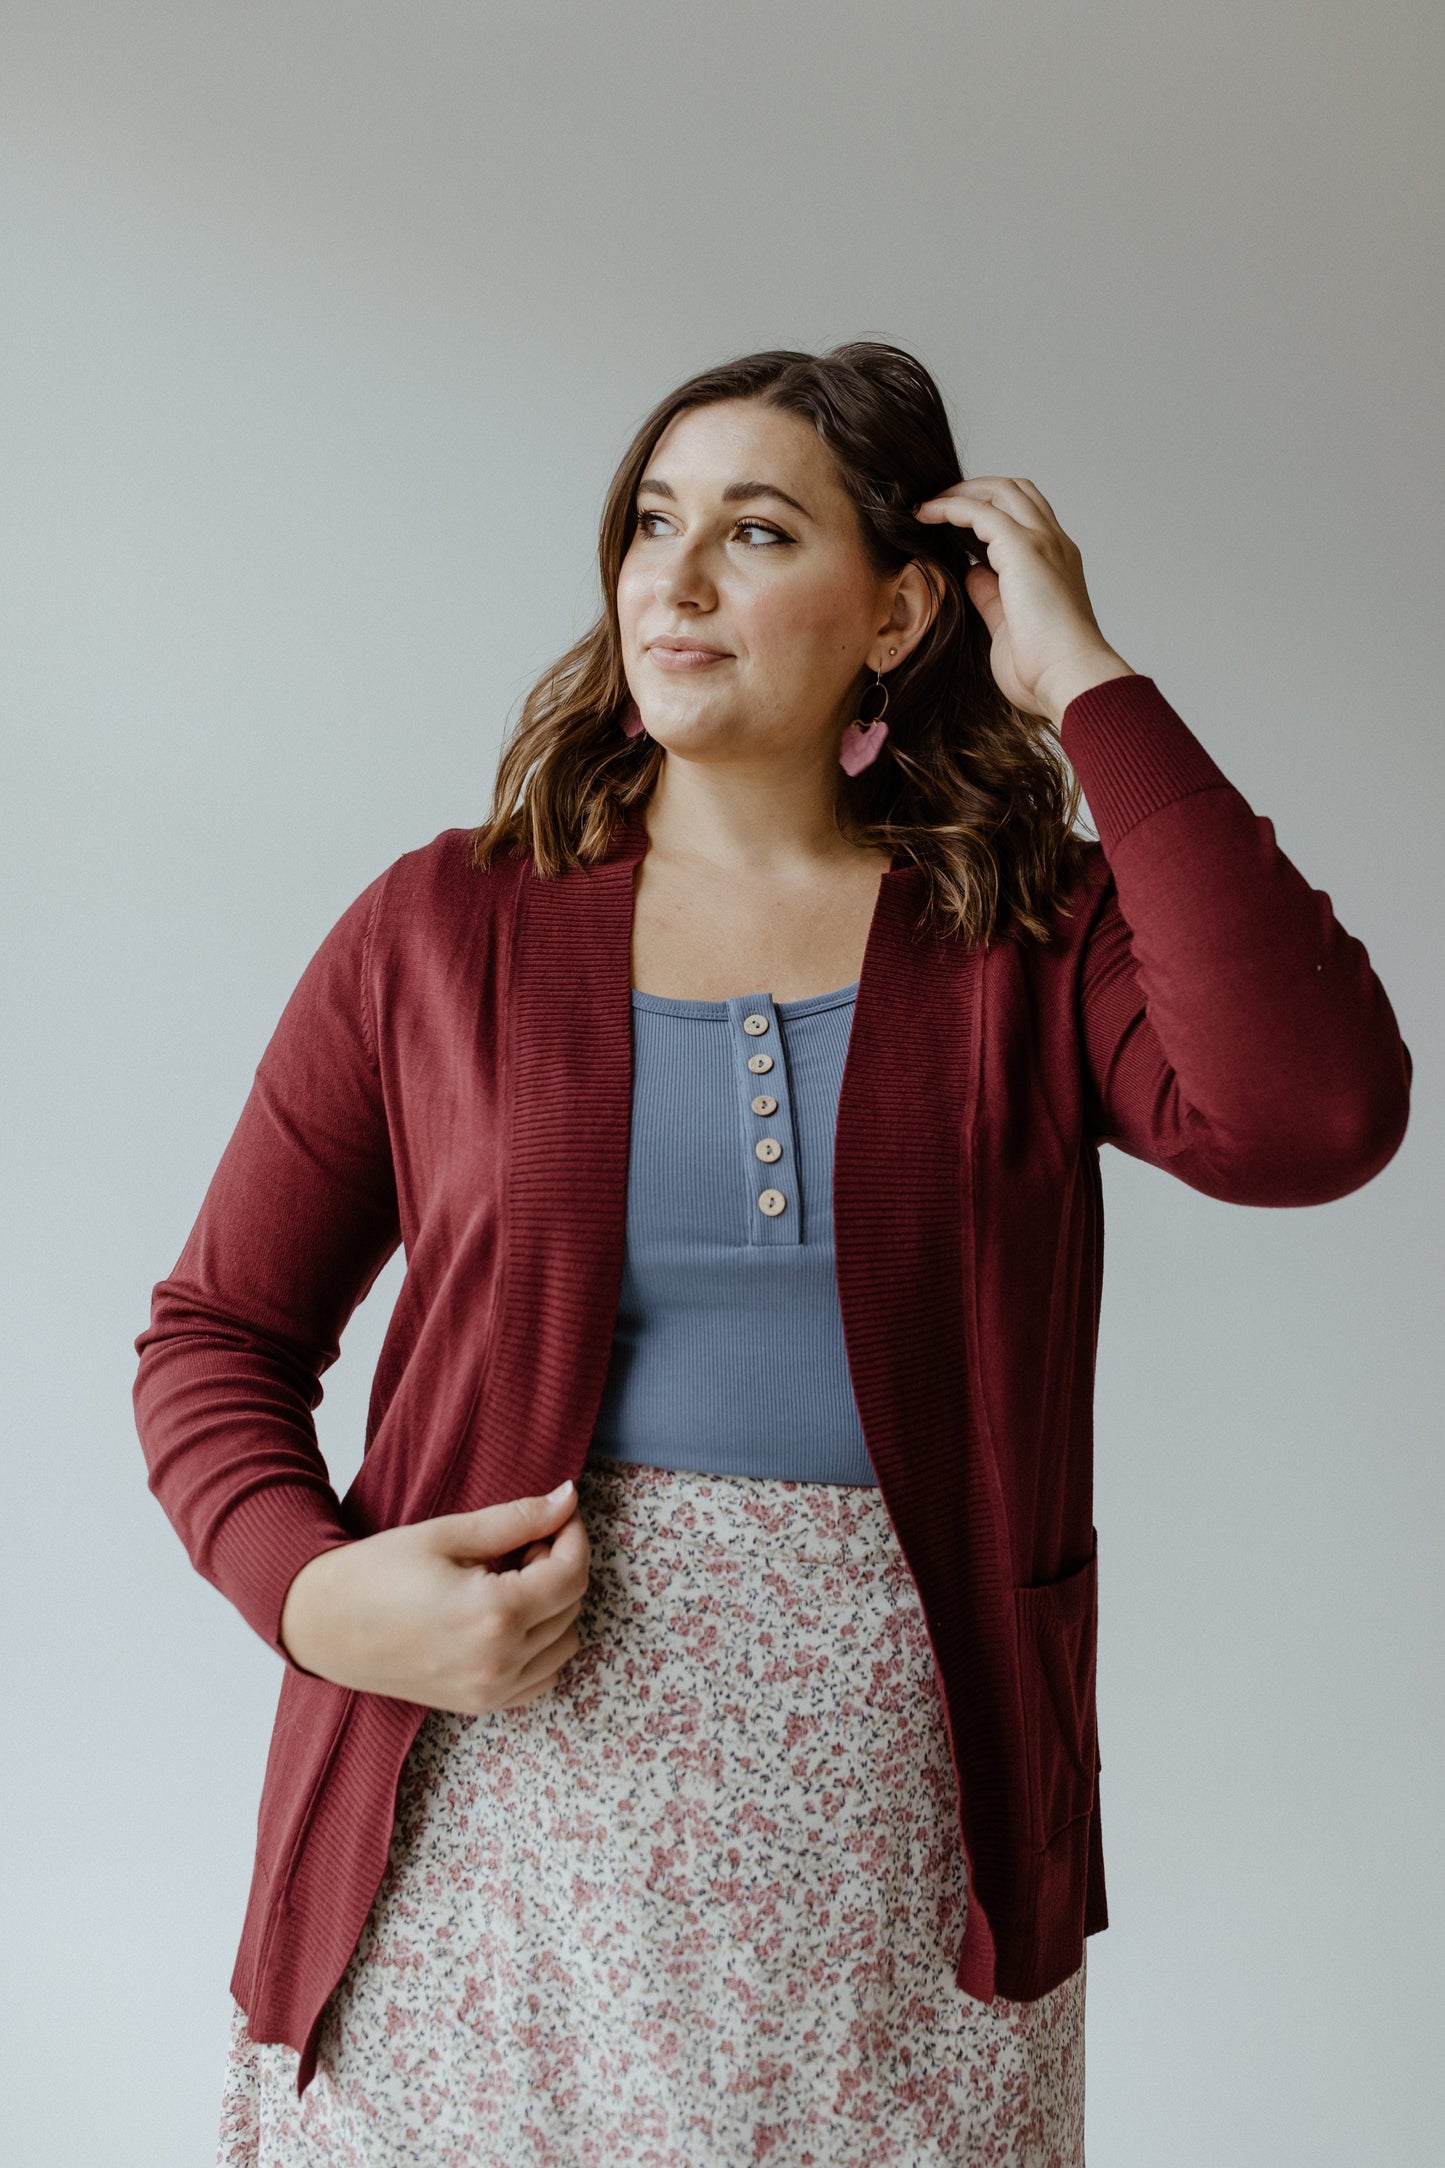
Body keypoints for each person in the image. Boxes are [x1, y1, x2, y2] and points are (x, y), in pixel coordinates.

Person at [134, 342, 1411, 2166]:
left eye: (754, 530)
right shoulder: (440, 927)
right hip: (487, 1818)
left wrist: (1091, 691)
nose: (677, 573)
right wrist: (313, 1595)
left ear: (897, 610)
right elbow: (214, 1334)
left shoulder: (1026, 940)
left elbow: (1315, 1113)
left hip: (901, 1851)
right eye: (655, 521)